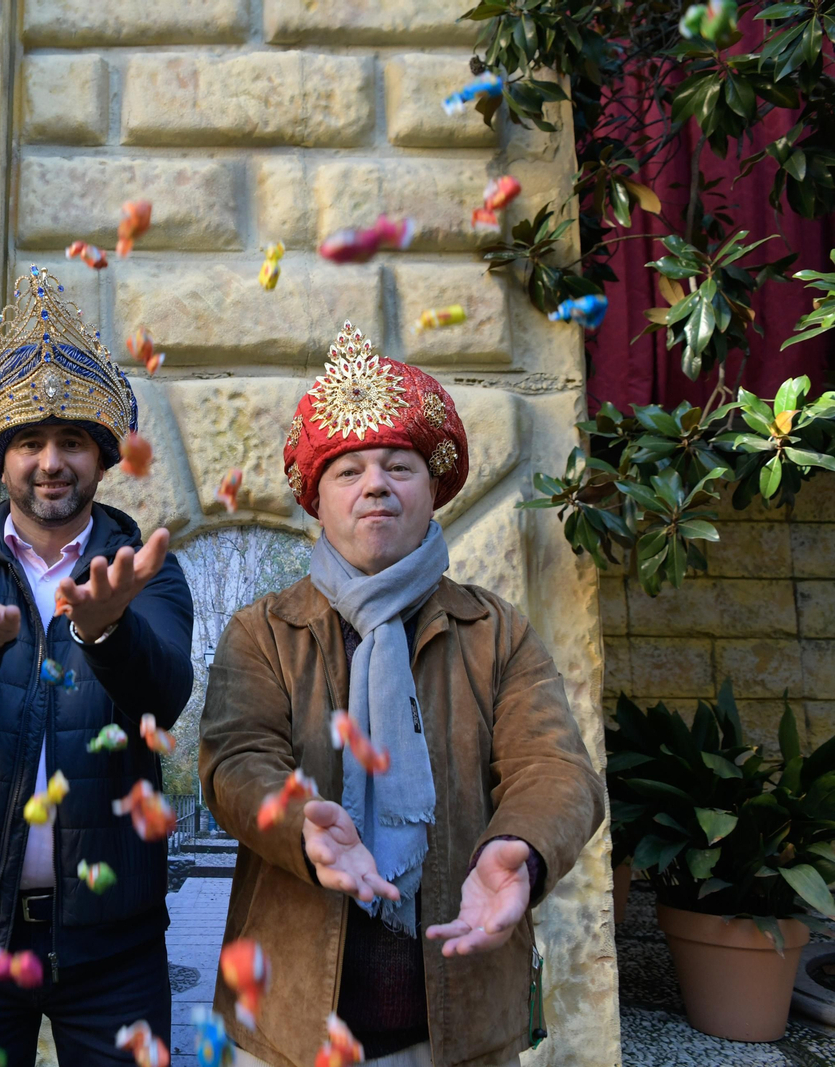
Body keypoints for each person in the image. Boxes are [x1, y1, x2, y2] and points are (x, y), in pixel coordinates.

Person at [199, 323, 604, 1067]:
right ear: (317, 500)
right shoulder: (264, 631)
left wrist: (518, 850)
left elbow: (556, 768)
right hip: (289, 1030)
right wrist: (302, 824)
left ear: (433, 488)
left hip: (461, 1029)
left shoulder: (495, 630)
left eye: (398, 465)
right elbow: (234, 759)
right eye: (349, 470)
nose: (375, 484)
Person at [0, 267, 194, 1066]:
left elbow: (165, 695)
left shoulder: (146, 571)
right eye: (30, 441)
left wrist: (107, 632)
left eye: (72, 442)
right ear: (1, 459)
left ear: (103, 457)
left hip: (116, 944)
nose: (51, 461)